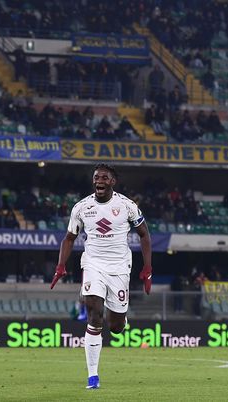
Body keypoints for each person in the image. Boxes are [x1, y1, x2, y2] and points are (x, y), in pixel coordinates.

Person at [50, 163, 152, 390]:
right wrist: (60, 266)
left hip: (119, 268)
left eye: (104, 177)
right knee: (94, 314)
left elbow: (144, 235)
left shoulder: (127, 206)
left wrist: (147, 269)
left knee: (115, 327)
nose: (99, 180)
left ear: (112, 181)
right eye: (96, 177)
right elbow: (69, 238)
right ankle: (93, 376)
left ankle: (120, 319)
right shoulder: (81, 207)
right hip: (93, 264)